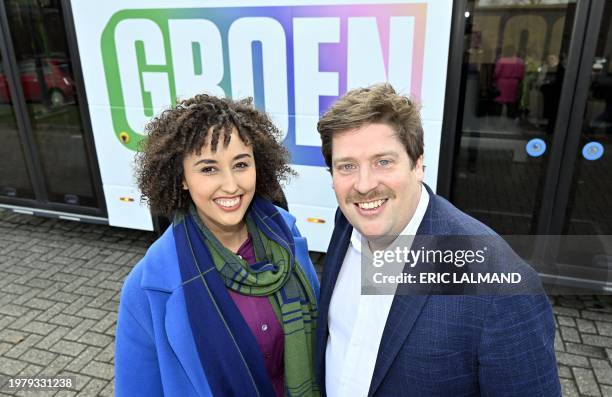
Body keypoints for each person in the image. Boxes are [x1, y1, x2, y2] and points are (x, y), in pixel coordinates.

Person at [314, 83, 561, 396]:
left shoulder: (500, 289)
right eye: (347, 166)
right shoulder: (347, 223)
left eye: (383, 162)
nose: (364, 185)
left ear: (418, 164)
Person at [115, 94, 320, 397]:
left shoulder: (287, 238)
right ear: (182, 177)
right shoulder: (150, 286)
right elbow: (137, 389)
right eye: (208, 169)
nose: (231, 185)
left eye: (240, 164)